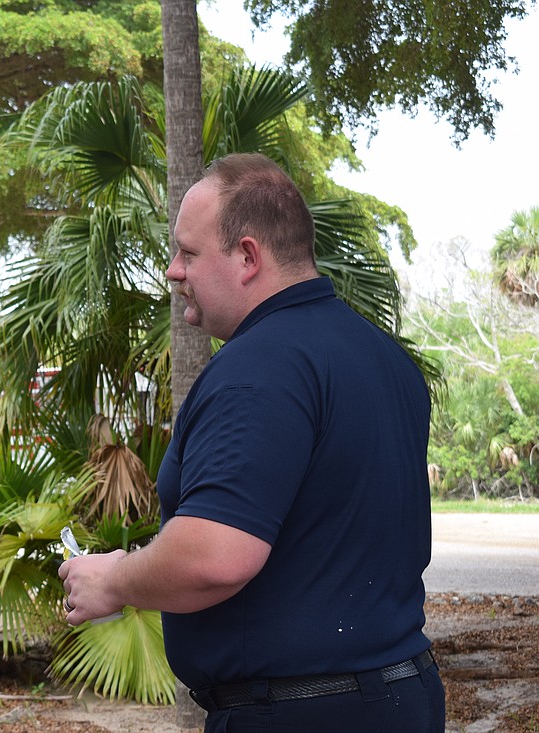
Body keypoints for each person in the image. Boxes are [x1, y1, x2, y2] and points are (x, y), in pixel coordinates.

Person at [58, 153, 445, 732]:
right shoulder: (385, 357)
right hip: (403, 696)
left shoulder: (259, 367)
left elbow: (217, 556)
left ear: (246, 256)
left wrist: (113, 580)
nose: (172, 270)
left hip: (299, 714)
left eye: (188, 253)